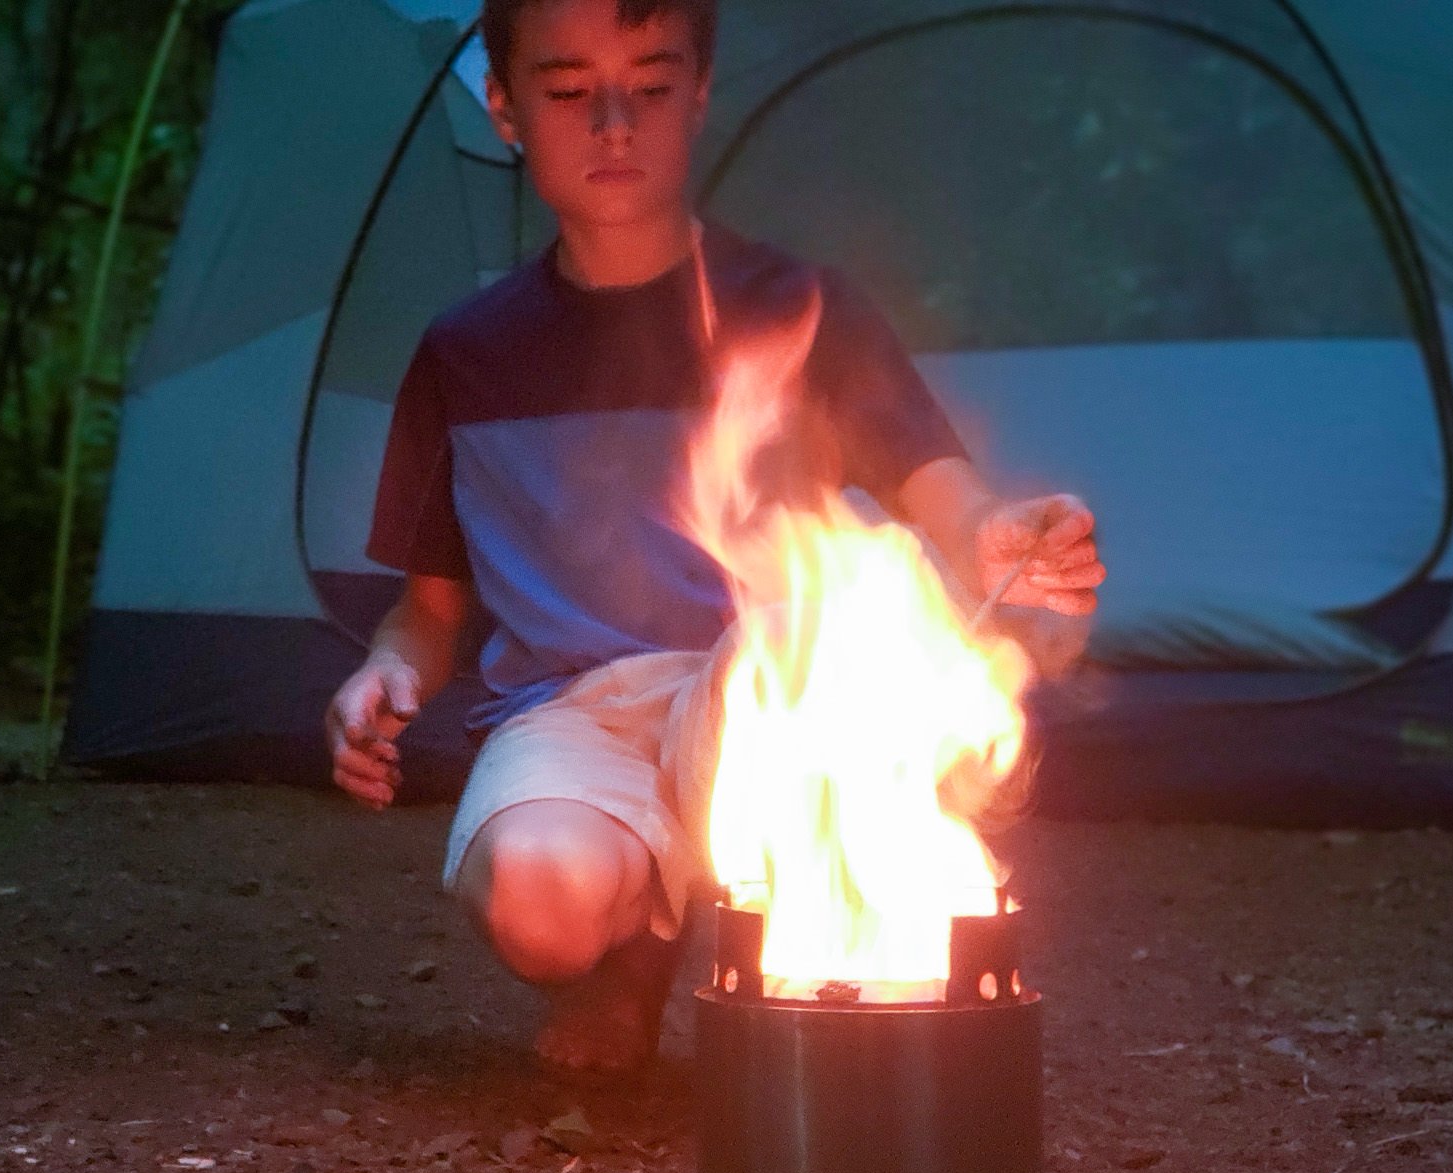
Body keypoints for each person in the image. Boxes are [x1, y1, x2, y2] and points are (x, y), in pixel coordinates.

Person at [326, 0, 1103, 1072]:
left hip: (763, 691)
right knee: (537, 904)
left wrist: (1002, 537)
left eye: (648, 85)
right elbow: (427, 614)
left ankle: (816, 1002)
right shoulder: (465, 357)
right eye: (565, 89)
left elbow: (953, 509)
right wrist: (381, 677)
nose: (611, 121)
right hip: (571, 716)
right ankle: (629, 960)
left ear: (696, 94)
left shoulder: (799, 309)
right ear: (503, 106)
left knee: (803, 670)